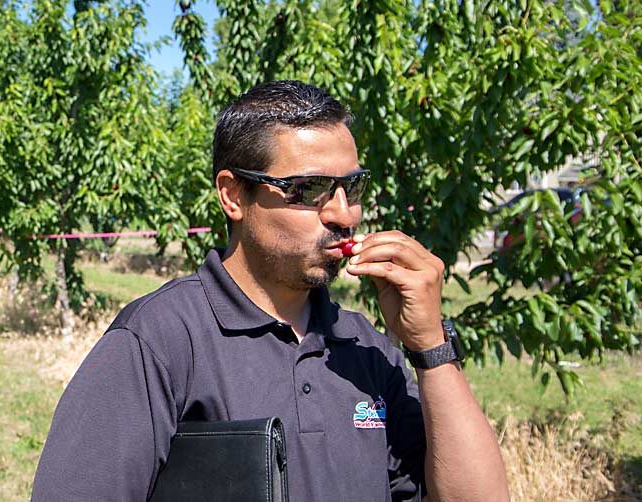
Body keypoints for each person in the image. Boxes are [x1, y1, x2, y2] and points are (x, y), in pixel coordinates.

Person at [31, 81, 509, 501]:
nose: (344, 214)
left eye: (352, 187)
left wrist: (429, 346)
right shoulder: (160, 342)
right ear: (234, 195)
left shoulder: (366, 348)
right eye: (310, 189)